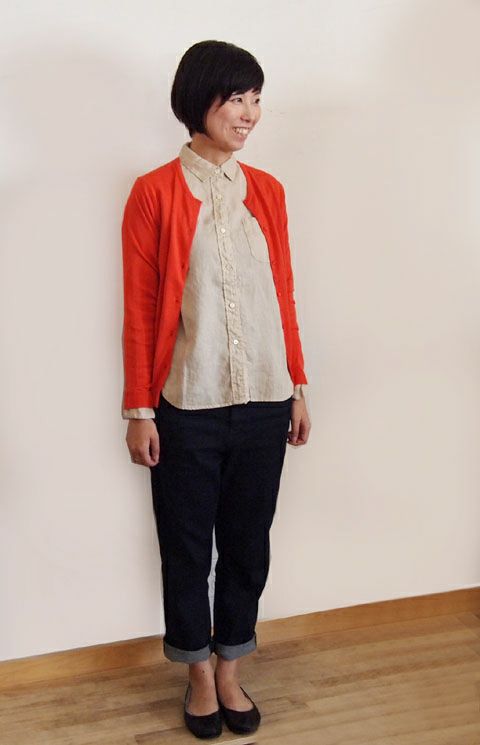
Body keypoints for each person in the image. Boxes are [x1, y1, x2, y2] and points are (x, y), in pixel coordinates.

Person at [121, 39, 311, 739]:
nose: (250, 112)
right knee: (185, 548)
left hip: (265, 399)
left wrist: (298, 384)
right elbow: (141, 309)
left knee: (247, 544)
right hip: (187, 406)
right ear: (199, 100)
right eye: (236, 98)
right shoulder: (153, 192)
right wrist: (140, 408)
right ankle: (197, 673)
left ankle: (232, 666)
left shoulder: (269, 192)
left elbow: (282, 294)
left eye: (257, 98)